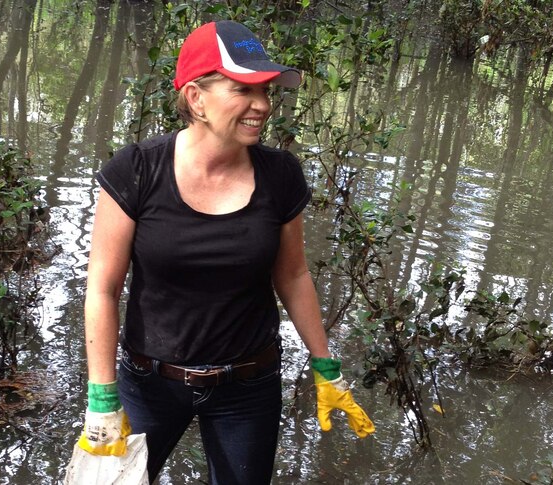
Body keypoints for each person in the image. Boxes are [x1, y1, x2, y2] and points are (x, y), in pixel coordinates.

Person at [77, 20, 375, 484]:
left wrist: (325, 365)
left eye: (266, 90)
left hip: (247, 387)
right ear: (196, 98)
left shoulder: (280, 174)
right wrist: (102, 396)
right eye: (244, 89)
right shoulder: (136, 169)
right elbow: (103, 286)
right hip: (149, 381)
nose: (263, 105)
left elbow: (293, 276)